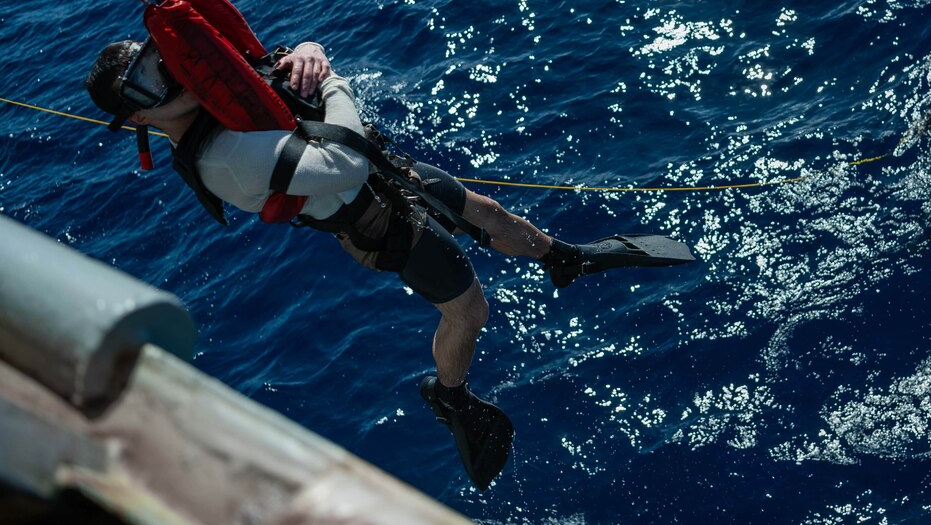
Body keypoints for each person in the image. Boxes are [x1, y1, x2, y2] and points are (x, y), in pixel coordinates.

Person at [84, 37, 692, 489]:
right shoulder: (222, 158)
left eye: (159, 63)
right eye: (148, 88)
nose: (167, 81)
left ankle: (563, 260)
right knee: (469, 310)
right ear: (137, 117)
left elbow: (289, 71)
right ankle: (449, 396)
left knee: (490, 213)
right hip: (378, 227)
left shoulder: (223, 95)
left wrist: (305, 51)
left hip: (390, 176)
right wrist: (331, 81)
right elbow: (340, 165)